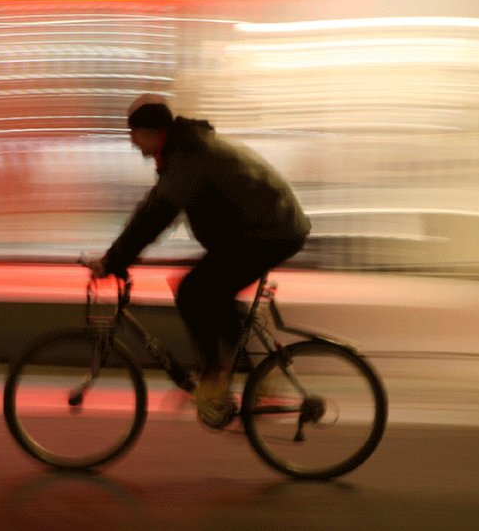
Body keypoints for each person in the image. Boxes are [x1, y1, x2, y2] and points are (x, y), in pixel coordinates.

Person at [88, 94, 311, 426]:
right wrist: (117, 256)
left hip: (270, 230)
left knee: (194, 291)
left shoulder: (188, 158)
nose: (133, 143)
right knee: (211, 293)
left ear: (153, 132)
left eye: (134, 134)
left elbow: (156, 217)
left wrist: (115, 260)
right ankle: (256, 378)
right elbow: (153, 206)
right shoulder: (183, 153)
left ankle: (213, 383)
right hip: (264, 227)